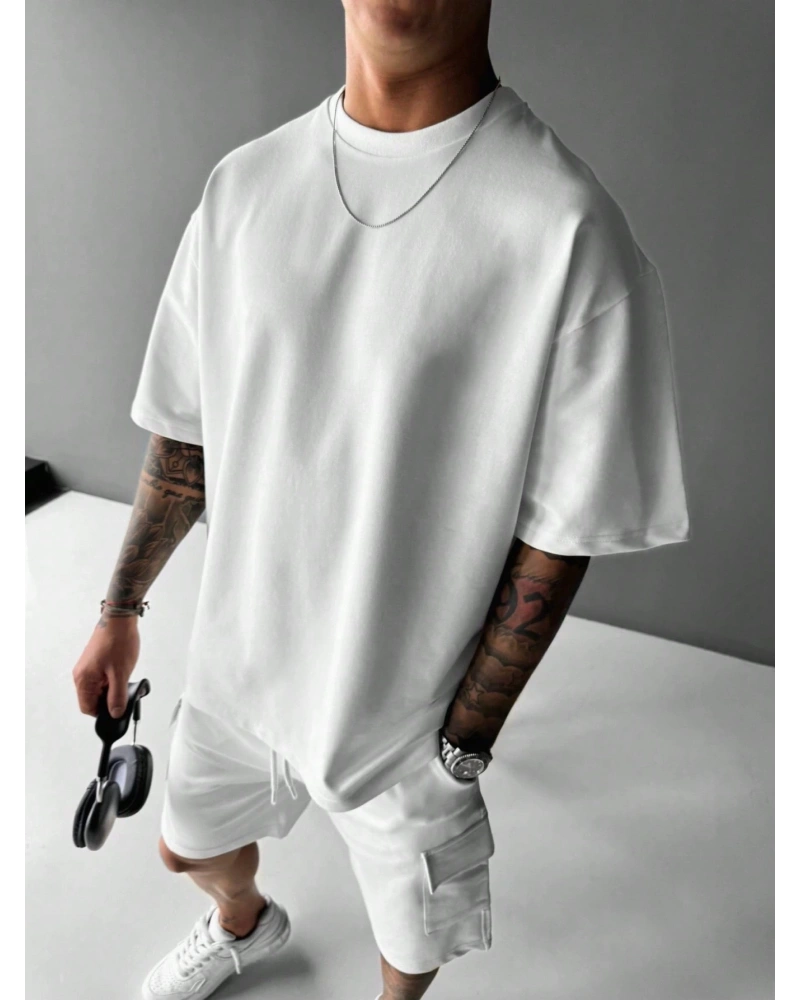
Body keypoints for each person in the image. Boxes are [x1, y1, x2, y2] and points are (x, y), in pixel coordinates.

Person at [71, 2, 691, 998]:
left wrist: (457, 749)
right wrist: (119, 612)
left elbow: (561, 531)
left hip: (404, 718)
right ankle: (245, 923)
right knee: (185, 848)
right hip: (236, 670)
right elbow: (186, 434)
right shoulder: (244, 187)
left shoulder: (566, 230)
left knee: (413, 939)